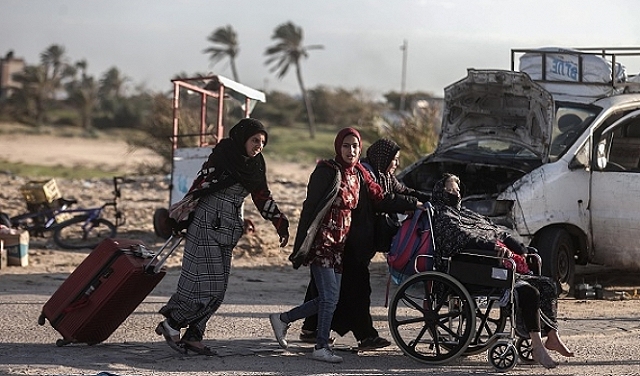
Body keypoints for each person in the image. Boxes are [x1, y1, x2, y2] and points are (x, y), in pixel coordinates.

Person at [156, 118, 289, 356]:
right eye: (254, 140)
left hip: (229, 227)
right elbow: (200, 187)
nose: (258, 145)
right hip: (206, 223)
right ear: (242, 139)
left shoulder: (256, 165)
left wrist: (279, 222)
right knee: (206, 284)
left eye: (262, 142)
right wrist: (180, 218)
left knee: (220, 288)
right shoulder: (223, 156)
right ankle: (172, 323)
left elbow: (261, 196)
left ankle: (194, 336)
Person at [430, 173, 574, 369]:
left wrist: (518, 247)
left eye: (457, 189)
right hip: (473, 269)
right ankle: (537, 346)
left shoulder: (465, 213)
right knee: (528, 292)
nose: (456, 193)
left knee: (547, 285)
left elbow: (495, 230)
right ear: (441, 192)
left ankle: (551, 335)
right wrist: (494, 248)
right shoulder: (443, 217)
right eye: (450, 189)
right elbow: (465, 240)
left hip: (490, 264)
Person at [298, 138, 428, 351]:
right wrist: (413, 204)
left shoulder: (384, 176)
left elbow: (404, 192)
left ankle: (310, 328)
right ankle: (365, 336)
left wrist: (432, 199)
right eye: (393, 160)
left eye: (397, 160)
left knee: (324, 288)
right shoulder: (363, 175)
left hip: (355, 242)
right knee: (358, 290)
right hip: (347, 241)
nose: (396, 164)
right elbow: (383, 200)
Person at [269, 127, 385, 363]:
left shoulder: (358, 174)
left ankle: (283, 319)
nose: (350, 150)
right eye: (346, 145)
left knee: (329, 298)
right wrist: (301, 244)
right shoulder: (328, 171)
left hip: (340, 245)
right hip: (322, 242)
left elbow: (378, 197)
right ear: (337, 147)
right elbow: (310, 208)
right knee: (330, 297)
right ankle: (320, 346)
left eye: (354, 146)